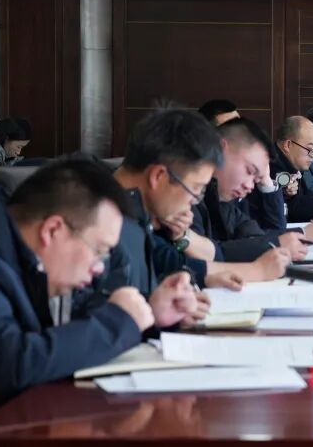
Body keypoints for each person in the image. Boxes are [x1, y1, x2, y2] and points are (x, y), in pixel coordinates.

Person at [0, 160, 199, 411]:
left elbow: (76, 317)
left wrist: (149, 312)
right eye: (98, 250)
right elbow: (4, 365)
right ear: (52, 230)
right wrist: (117, 324)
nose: (98, 268)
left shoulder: (38, 266)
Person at [75, 110, 288, 317]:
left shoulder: (139, 215)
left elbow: (160, 266)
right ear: (158, 176)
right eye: (195, 189)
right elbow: (95, 316)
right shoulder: (97, 223)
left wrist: (173, 302)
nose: (193, 203)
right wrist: (153, 312)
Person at [187, 118, 313, 263]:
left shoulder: (223, 198)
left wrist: (266, 181)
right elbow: (210, 255)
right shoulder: (188, 195)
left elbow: (257, 236)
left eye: (256, 178)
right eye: (249, 171)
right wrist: (299, 234)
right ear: (222, 149)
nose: (250, 187)